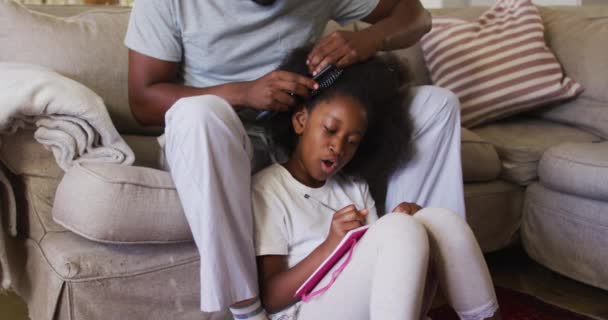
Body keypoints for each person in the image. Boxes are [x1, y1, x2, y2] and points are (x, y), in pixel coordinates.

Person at [124, 0, 464, 318]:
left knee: (436, 105)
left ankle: (417, 272)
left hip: (295, 136)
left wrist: (370, 39)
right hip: (216, 142)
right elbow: (142, 101)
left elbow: (417, 15)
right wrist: (243, 93)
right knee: (199, 115)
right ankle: (247, 310)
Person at [253, 48, 500, 320]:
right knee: (398, 229)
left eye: (352, 141)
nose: (338, 146)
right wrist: (330, 245)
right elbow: (271, 298)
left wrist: (401, 220)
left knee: (438, 220)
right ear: (301, 121)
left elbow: (377, 253)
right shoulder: (268, 188)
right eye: (331, 130)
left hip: (365, 304)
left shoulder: (352, 185)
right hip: (303, 310)